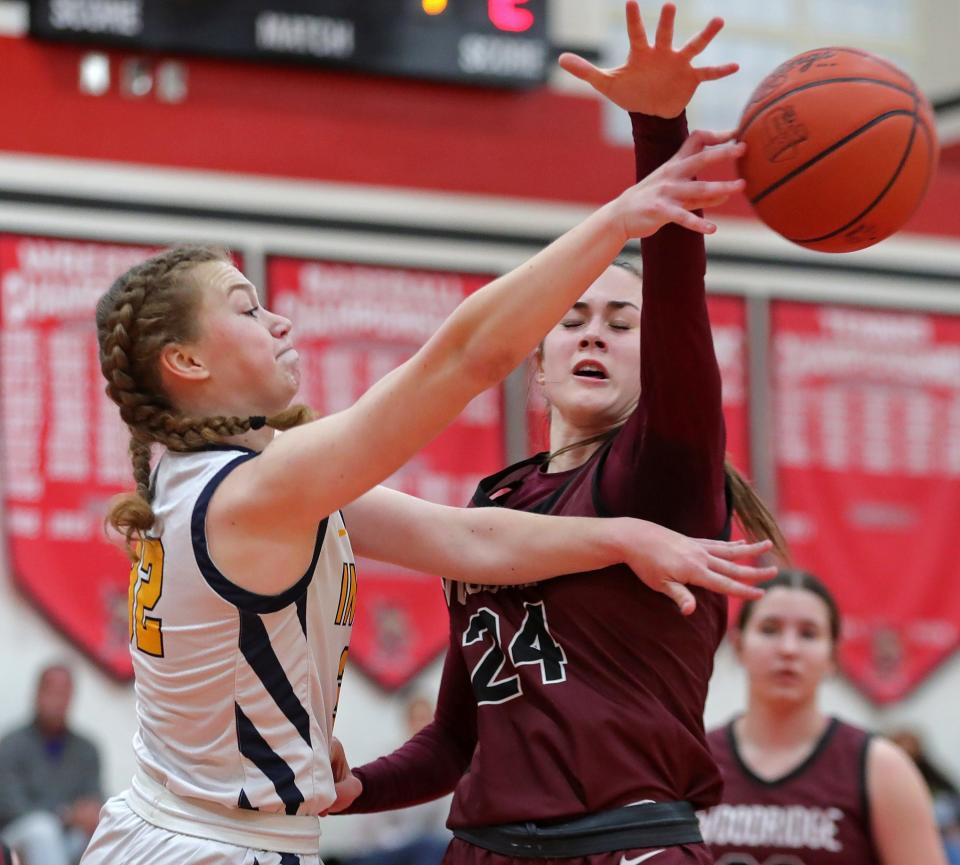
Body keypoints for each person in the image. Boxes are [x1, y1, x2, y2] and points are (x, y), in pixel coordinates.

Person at [79, 90, 771, 865]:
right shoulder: (259, 492)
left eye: (618, 321)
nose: (278, 321)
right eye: (246, 308)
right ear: (188, 362)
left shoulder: (208, 476)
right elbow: (463, 359)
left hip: (167, 825)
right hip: (220, 844)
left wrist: (624, 534)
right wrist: (621, 216)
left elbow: (461, 539)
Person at [329, 5, 786, 865]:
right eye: (572, 319)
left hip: (627, 844)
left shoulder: (663, 475)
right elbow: (460, 740)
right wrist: (363, 789)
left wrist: (658, 128)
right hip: (483, 848)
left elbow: (680, 301)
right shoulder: (495, 502)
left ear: (653, 366)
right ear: (534, 366)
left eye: (620, 321)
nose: (593, 334)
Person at [698, 569, 947, 865]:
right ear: (738, 646)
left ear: (832, 656)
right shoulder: (696, 761)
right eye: (769, 629)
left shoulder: (881, 768)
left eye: (808, 634)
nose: (788, 649)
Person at [0, 664, 102, 865]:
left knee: (98, 840)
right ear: (37, 693)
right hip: (18, 836)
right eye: (51, 691)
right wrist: (66, 815)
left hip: (69, 839)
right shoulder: (12, 744)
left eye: (63, 694)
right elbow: (11, 807)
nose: (56, 700)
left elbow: (94, 800)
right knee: (42, 830)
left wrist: (91, 814)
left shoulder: (87, 750)